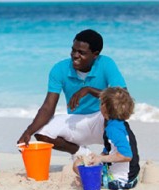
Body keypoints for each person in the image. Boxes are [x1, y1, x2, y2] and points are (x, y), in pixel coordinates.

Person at [17, 29, 127, 157]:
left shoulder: (106, 63)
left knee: (114, 113)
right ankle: (83, 153)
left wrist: (88, 90)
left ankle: (109, 153)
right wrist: (28, 132)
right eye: (73, 50)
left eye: (81, 52)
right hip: (75, 123)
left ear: (95, 54)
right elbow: (48, 107)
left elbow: (122, 96)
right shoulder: (59, 69)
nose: (75, 55)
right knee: (41, 132)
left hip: (100, 119)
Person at [73, 87, 140, 190]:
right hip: (132, 177)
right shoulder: (121, 125)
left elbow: (126, 155)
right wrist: (100, 156)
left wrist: (101, 158)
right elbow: (111, 147)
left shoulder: (113, 129)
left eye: (101, 103)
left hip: (121, 181)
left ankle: (85, 181)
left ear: (104, 108)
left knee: (77, 165)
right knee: (87, 162)